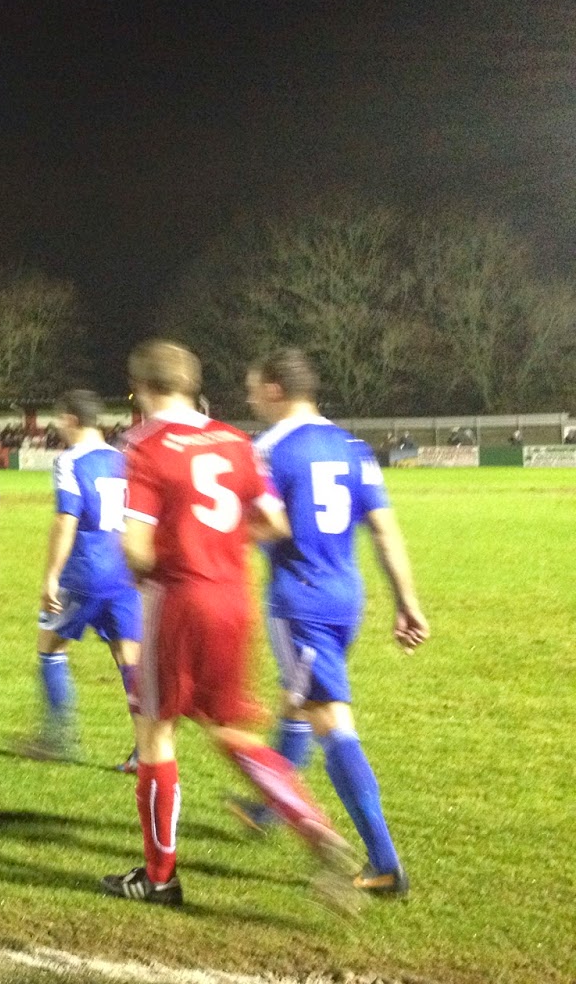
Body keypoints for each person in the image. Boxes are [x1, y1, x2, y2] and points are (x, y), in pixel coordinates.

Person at [102, 340, 355, 909]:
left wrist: (168, 555)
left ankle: (160, 877)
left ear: (141, 389)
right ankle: (313, 824)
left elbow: (138, 550)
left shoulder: (144, 445)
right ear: (193, 385)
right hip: (234, 599)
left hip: (180, 601)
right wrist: (220, 543)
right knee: (228, 731)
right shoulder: (237, 442)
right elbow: (275, 521)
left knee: (155, 732)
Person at [238, 348, 429, 897]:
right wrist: (407, 601)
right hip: (348, 598)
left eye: (254, 387)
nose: (251, 398)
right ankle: (266, 808)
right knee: (296, 703)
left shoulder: (268, 451)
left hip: (301, 602)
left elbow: (263, 526)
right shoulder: (353, 448)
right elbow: (385, 529)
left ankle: (384, 861)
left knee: (331, 723)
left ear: (275, 389)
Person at [25, 390, 140, 768]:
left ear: (72, 419)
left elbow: (66, 519)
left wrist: (51, 577)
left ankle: (59, 738)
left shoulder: (70, 461)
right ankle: (146, 751)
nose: (56, 426)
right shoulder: (125, 460)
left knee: (50, 647)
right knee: (129, 660)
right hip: (125, 573)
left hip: (85, 572)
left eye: (58, 419)